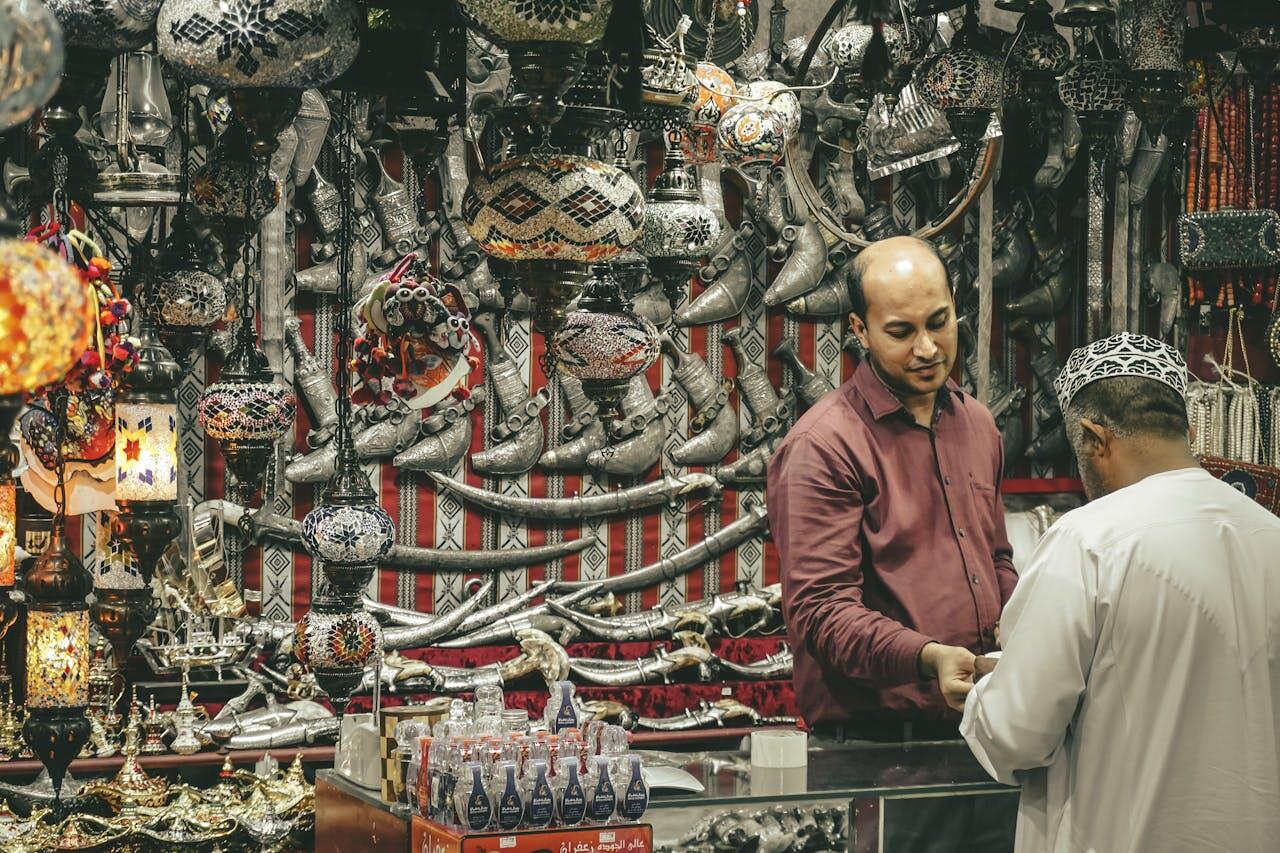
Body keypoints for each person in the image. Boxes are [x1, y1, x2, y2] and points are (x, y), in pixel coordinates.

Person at [957, 333, 1280, 853]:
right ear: (1187, 432)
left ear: (1093, 439)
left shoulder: (1088, 540)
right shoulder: (1270, 535)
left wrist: (984, 691)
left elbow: (1017, 734)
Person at [767, 235, 1018, 852]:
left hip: (989, 734)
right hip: (882, 754)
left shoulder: (977, 424)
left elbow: (996, 558)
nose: (928, 348)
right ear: (859, 329)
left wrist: (1023, 626)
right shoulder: (825, 445)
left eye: (939, 322)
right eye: (902, 332)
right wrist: (927, 657)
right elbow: (821, 612)